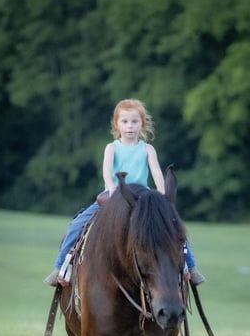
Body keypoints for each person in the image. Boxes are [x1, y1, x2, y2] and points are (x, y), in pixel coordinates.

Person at [44, 98, 205, 287]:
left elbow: (156, 173)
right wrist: (113, 189)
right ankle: (60, 267)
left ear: (142, 124)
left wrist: (163, 195)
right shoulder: (112, 148)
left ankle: (190, 267)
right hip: (114, 196)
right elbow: (107, 172)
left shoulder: (147, 149)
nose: (130, 126)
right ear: (117, 124)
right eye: (125, 121)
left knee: (173, 225)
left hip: (142, 199)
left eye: (135, 121)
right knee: (77, 224)